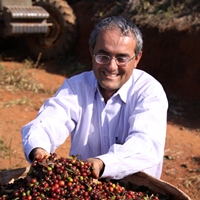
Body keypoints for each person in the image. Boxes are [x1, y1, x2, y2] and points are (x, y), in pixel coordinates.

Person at [21, 15, 168, 180]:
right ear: (92, 52)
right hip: (84, 188)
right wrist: (39, 150)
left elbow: (145, 145)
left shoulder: (149, 92)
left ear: (137, 59)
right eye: (103, 56)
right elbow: (48, 122)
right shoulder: (76, 88)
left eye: (122, 58)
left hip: (135, 190)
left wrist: (103, 163)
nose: (112, 67)